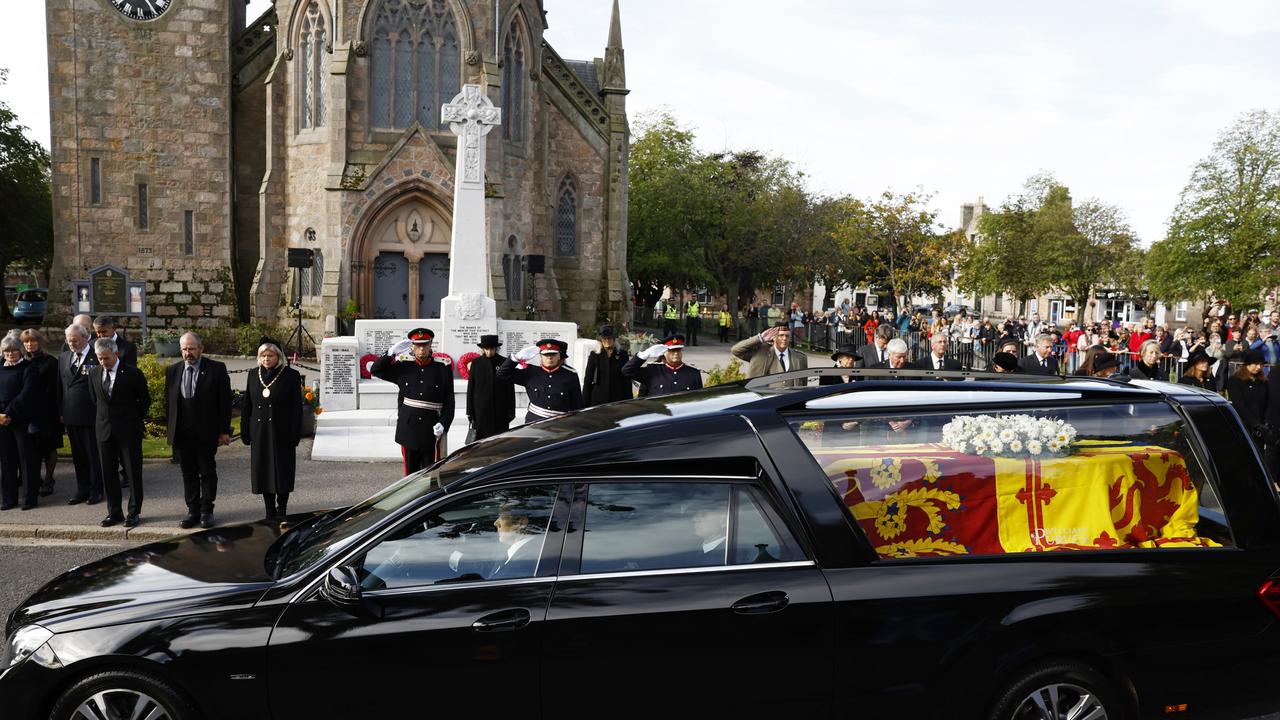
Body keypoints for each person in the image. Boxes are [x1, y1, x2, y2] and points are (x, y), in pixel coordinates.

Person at [164, 332, 232, 529]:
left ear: (201, 348)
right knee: (188, 473)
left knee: (207, 471)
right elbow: (170, 403)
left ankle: (206, 511)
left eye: (191, 348)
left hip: (206, 432)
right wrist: (170, 430)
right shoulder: (173, 370)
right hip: (182, 433)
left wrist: (224, 431)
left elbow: (224, 403)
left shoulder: (216, 369)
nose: (188, 353)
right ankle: (192, 510)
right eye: (184, 349)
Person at [371, 328, 455, 475]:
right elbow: (376, 369)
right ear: (412, 347)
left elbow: (449, 400)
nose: (421, 349)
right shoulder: (403, 366)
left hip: (431, 430)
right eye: (417, 346)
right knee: (410, 476)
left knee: (431, 475)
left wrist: (444, 423)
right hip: (408, 429)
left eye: (425, 345)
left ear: (430, 345)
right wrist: (391, 352)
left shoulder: (443, 368)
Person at [88, 337, 149, 527]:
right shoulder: (94, 373)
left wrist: (131, 420)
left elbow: (144, 401)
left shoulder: (132, 373)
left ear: (116, 354)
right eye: (99, 358)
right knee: (108, 473)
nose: (103, 362)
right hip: (104, 431)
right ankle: (114, 512)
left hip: (128, 431)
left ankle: (133, 512)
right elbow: (95, 400)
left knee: (132, 472)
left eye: (106, 358)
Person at [242, 339, 303, 520]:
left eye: (270, 355)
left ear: (278, 357)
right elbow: (247, 406)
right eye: (263, 356)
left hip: (282, 432)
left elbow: (296, 409)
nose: (266, 359)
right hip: (260, 432)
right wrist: (246, 430)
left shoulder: (291, 375)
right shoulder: (253, 375)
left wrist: (295, 433)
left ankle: (282, 508)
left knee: (282, 472)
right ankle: (269, 511)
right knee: (264, 472)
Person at [58, 324, 102, 505]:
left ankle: (96, 490)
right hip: (70, 415)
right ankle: (82, 489)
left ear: (86, 338)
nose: (71, 343)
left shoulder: (96, 356)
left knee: (93, 455)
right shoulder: (63, 357)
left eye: (75, 340)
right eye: (69, 340)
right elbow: (59, 387)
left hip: (90, 415)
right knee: (78, 456)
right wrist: (60, 411)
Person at [0, 335, 42, 510]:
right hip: (1, 421)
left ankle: (29, 499)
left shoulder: (29, 368)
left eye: (14, 350)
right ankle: (9, 499)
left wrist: (8, 413)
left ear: (21, 350)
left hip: (21, 420)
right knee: (7, 461)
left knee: (27, 461)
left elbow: (27, 394)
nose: (10, 353)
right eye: (7, 350)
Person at [499, 338, 584, 424]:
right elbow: (502, 374)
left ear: (559, 356)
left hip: (560, 425)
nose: (549, 357)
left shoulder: (570, 375)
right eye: (546, 354)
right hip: (534, 422)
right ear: (541, 356)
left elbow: (577, 405)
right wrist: (515, 358)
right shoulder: (531, 372)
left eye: (553, 354)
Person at [21, 329, 61, 497]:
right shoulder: (21, 361)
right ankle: (35, 479)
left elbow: (57, 389)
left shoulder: (50, 362)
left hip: (48, 411)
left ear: (40, 342)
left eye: (33, 341)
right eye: (26, 342)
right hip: (28, 412)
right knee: (31, 449)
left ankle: (48, 480)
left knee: (50, 447)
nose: (30, 344)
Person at [465, 334, 515, 441]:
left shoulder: (504, 362)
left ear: (496, 348)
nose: (488, 351)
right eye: (486, 349)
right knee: (481, 441)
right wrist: (469, 411)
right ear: (482, 349)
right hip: (481, 410)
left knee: (499, 440)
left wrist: (511, 411)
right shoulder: (476, 363)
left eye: (491, 349)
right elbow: (471, 388)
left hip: (500, 409)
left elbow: (510, 388)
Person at [622, 334, 703, 397]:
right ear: (664, 353)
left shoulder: (693, 374)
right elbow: (627, 371)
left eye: (678, 350)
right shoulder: (653, 371)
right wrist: (644, 354)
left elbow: (699, 401)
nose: (676, 353)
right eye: (672, 350)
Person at [730, 323, 809, 384]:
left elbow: (803, 384)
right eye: (781, 335)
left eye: (787, 336)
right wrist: (760, 338)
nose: (784, 338)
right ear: (774, 337)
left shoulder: (800, 358)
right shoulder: (759, 352)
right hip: (764, 400)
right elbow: (736, 350)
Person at [582, 325, 632, 406]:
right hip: (598, 400)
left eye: (609, 338)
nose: (607, 341)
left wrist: (629, 402)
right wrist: (584, 404)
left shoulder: (623, 355)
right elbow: (588, 379)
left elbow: (627, 380)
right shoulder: (595, 355)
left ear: (614, 339)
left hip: (617, 400)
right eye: (604, 338)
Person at [1228, 350, 1268, 445]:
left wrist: (1265, 423)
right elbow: (1239, 405)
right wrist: (1254, 424)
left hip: (1261, 428)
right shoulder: (1235, 381)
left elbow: (1267, 402)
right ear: (1247, 364)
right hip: (1243, 426)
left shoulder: (1263, 382)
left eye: (1261, 364)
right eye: (1256, 364)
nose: (1259, 367)